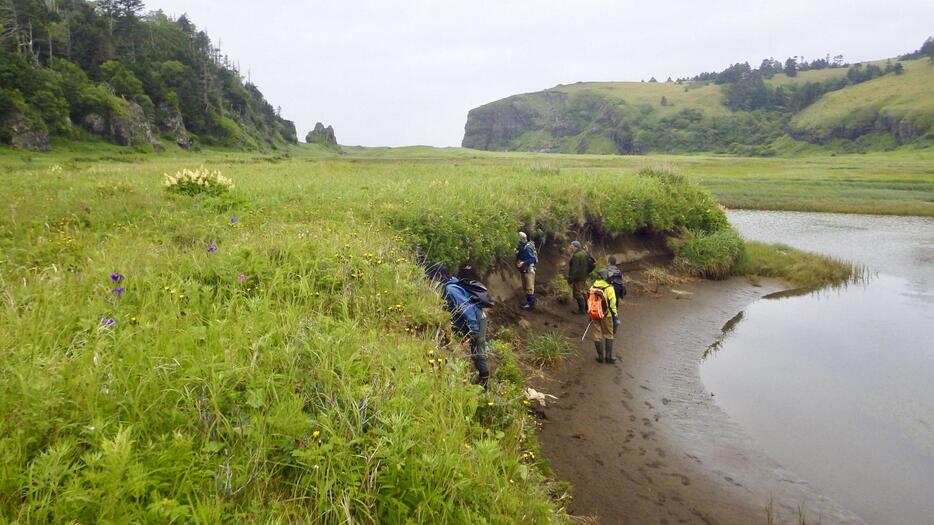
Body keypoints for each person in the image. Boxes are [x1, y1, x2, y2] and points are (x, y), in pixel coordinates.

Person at [426, 263, 490, 388]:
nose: (429, 280)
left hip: (477, 321)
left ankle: (484, 382)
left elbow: (467, 308)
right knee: (476, 348)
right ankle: (480, 377)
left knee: (478, 350)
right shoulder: (450, 284)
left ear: (437, 276)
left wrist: (474, 330)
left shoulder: (451, 289)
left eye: (431, 277)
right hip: (471, 321)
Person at [589, 268, 619, 364]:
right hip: (607, 315)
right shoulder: (609, 288)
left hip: (594, 314)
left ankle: (600, 357)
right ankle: (608, 357)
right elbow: (612, 304)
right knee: (609, 334)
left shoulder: (593, 287)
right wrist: (615, 316)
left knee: (597, 334)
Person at [567, 240, 592, 314]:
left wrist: (570, 279)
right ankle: (587, 307)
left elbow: (574, 269)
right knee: (582, 291)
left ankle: (582, 310)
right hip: (584, 276)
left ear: (576, 247)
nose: (571, 248)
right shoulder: (584, 253)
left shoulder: (576, 256)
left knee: (577, 293)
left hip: (578, 278)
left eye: (572, 246)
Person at [515, 232, 538, 310]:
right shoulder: (522, 247)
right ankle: (530, 302)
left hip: (529, 270)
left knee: (529, 288)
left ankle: (531, 305)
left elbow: (532, 259)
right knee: (525, 287)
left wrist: (523, 262)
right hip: (524, 270)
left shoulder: (527, 247)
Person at [606, 256, 623, 335]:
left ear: (609, 262)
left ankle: (608, 327)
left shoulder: (607, 271)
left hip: (609, 292)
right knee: (614, 308)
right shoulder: (619, 271)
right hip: (617, 293)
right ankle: (615, 324)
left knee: (607, 308)